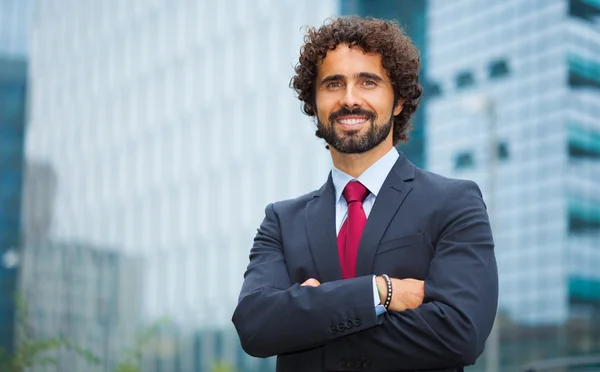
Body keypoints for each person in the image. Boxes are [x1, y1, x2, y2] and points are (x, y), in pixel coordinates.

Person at [232, 16, 498, 372]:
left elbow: (459, 334)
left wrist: (308, 321)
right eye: (333, 84)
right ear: (313, 103)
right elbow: (255, 326)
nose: (349, 99)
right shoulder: (282, 221)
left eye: (368, 82)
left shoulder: (453, 203)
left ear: (399, 101)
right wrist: (379, 292)